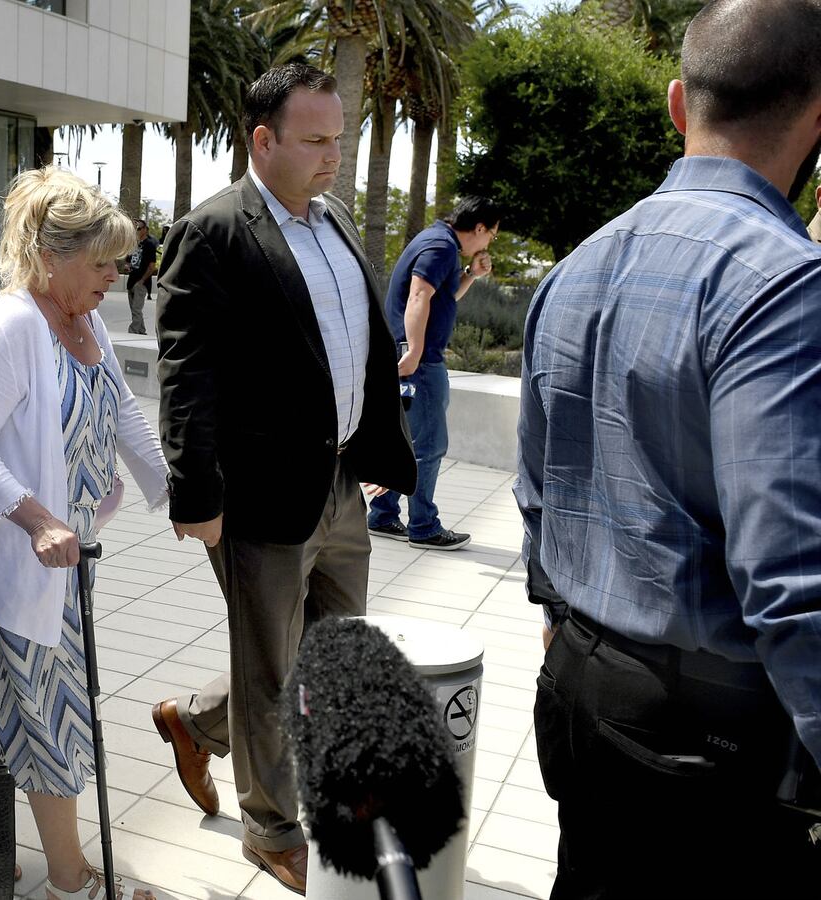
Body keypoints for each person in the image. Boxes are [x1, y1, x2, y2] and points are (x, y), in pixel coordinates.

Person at [518, 1, 821, 897]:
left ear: (680, 105)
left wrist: (572, 629)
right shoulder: (783, 284)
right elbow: (794, 577)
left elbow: (537, 490)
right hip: (706, 734)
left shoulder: (578, 264)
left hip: (580, 689)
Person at [150, 62, 415, 894]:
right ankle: (270, 827)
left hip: (338, 487)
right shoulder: (214, 231)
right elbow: (184, 373)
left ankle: (195, 723)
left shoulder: (332, 221)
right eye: (317, 140)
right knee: (272, 671)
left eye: (342, 138)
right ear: (263, 141)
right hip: (261, 497)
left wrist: (370, 454)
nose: (336, 155)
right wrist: (196, 493)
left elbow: (357, 347)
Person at [0, 167, 168, 900]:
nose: (117, 275)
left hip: (70, 565)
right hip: (18, 569)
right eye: (103, 262)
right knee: (44, 722)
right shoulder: (11, 326)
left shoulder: (85, 319)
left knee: (14, 719)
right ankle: (69, 880)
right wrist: (37, 518)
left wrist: (177, 494)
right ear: (51, 257)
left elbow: (126, 415)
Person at [366, 195, 501, 551]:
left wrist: (471, 274)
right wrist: (414, 350)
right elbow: (418, 297)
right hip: (422, 364)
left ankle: (382, 513)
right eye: (492, 236)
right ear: (480, 228)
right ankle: (424, 526)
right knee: (429, 445)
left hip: (415, 357)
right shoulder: (441, 247)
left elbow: (440, 296)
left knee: (410, 438)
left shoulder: (437, 241)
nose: (489, 243)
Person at [124, 218, 158, 334]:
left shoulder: (149, 245)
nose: (136, 231)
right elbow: (128, 259)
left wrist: (142, 281)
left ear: (145, 230)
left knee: (136, 309)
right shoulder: (133, 244)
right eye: (135, 229)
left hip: (141, 282)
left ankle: (133, 331)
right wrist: (127, 265)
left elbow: (152, 265)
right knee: (134, 309)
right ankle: (141, 330)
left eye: (138, 228)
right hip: (131, 280)